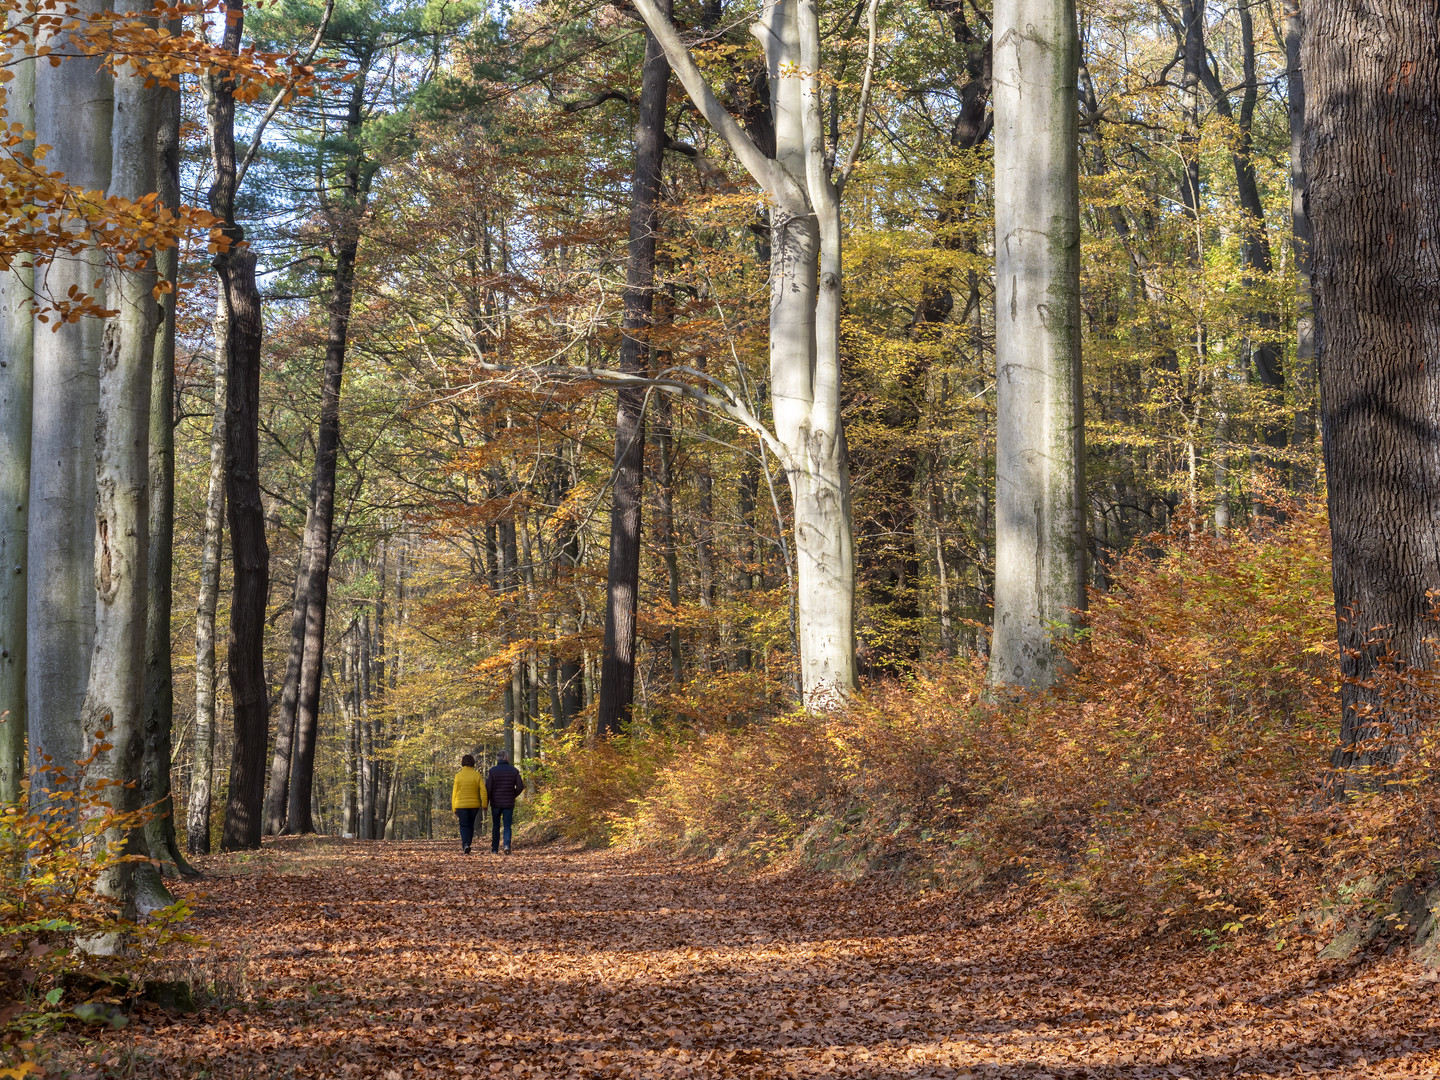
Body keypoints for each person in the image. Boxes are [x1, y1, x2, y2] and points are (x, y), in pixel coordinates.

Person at [485, 750, 525, 854]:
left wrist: (487, 800)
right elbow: (520, 786)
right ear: (506, 758)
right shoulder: (514, 771)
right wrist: (513, 795)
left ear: (497, 759)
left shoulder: (492, 771)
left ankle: (494, 849)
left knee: (496, 826)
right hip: (508, 803)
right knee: (507, 825)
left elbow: (488, 788)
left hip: (496, 803)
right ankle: (506, 845)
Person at [451, 753, 487, 855]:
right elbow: (483, 790)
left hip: (461, 805)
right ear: (473, 763)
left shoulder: (458, 776)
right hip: (474, 805)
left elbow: (454, 793)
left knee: (463, 825)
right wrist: (484, 804)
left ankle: (465, 844)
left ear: (462, 763)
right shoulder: (477, 775)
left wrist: (454, 808)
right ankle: (468, 844)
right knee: (470, 825)